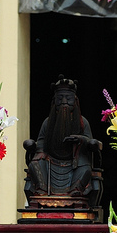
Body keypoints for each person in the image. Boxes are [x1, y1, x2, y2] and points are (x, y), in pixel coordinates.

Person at [24, 75, 101, 203]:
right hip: (51, 160)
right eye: (60, 98)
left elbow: (91, 141)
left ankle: (76, 190)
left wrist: (80, 139)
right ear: (54, 102)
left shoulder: (83, 122)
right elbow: (41, 142)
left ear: (75, 101)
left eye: (68, 98)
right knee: (35, 164)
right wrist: (34, 147)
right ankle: (42, 190)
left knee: (86, 168)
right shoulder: (48, 122)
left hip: (75, 162)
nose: (64, 101)